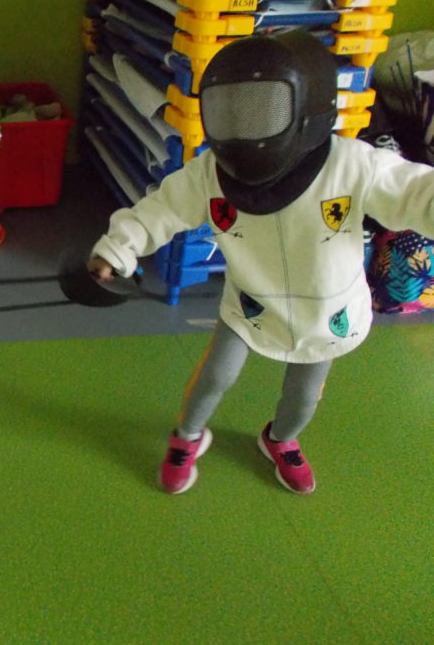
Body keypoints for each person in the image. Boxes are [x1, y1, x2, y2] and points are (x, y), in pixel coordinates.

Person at [86, 30, 434, 495]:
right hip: (251, 303)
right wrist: (118, 249)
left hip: (327, 314)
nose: (245, 124)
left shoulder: (353, 165)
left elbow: (414, 191)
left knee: (303, 397)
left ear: (308, 107)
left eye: (266, 107)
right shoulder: (211, 174)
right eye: (233, 108)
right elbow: (161, 210)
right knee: (214, 378)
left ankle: (280, 440)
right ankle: (187, 437)